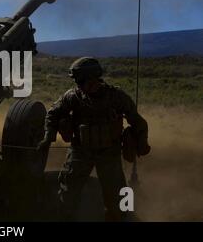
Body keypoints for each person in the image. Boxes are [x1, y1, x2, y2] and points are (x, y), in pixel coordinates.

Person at [37, 57, 150, 221]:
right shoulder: (73, 96)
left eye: (81, 80)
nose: (79, 84)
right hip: (81, 151)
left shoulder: (116, 97)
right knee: (67, 192)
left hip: (109, 153)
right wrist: (48, 137)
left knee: (117, 196)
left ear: (93, 78)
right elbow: (53, 114)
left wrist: (142, 142)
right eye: (77, 81)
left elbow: (138, 121)